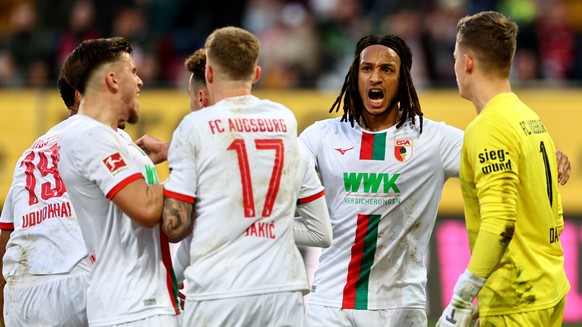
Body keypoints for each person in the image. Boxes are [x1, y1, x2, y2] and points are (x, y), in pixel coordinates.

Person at [299, 33, 572, 327]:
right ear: (355, 75)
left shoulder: (433, 140)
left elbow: (501, 155)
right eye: (367, 69)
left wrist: (543, 155)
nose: (375, 77)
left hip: (399, 308)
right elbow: (281, 171)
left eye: (386, 69)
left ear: (403, 78)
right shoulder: (322, 135)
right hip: (328, 303)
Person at [160, 26, 330, 326]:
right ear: (257, 74)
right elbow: (320, 231)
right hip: (284, 291)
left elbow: (175, 226)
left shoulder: (194, 128)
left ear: (208, 75)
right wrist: (265, 226)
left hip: (220, 291)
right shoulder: (285, 122)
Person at [438, 11, 570, 327]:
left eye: (455, 57)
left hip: (516, 298)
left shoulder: (488, 127)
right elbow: (555, 218)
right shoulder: (528, 117)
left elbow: (499, 223)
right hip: (548, 287)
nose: (454, 66)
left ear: (467, 62)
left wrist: (460, 298)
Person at [57, 37, 180, 326]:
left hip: (142, 303)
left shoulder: (118, 141)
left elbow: (169, 223)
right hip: (132, 310)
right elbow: (147, 209)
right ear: (112, 79)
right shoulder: (88, 135)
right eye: (133, 72)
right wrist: (191, 163)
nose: (140, 82)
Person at [0, 75, 93, 327]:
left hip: (21, 291)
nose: (138, 83)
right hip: (77, 284)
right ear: (81, 95)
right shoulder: (106, 138)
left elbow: (6, 237)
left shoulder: (29, 153)